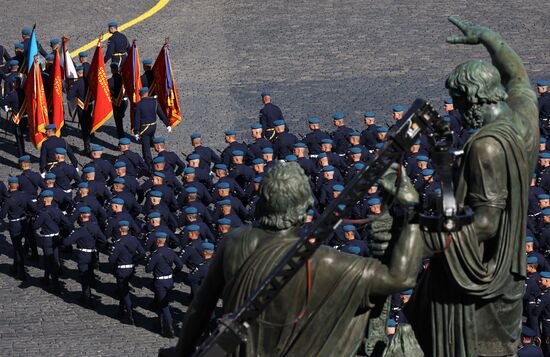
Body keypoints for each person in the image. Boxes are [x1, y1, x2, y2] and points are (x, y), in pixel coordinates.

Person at [172, 162, 424, 356]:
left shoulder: (234, 242)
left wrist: (182, 353)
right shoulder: (325, 261)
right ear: (305, 210)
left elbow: (199, 310)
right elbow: (400, 277)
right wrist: (411, 211)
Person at [406, 17, 539, 356]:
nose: (458, 111)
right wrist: (489, 38)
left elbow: (485, 223)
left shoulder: (485, 147)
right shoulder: (523, 118)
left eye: (459, 102)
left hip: (480, 276)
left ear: (474, 99)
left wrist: (421, 238)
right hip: (504, 272)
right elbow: (518, 76)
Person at [63, 206, 107, 307]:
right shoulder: (95, 227)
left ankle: (87, 298)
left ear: (81, 216)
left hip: (83, 255)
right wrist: (97, 247)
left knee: (84, 277)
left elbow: (66, 242)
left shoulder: (80, 230)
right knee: (90, 272)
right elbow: (103, 240)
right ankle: (87, 292)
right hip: (92, 253)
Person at [145, 232, 183, 337]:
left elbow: (148, 270)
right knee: (160, 302)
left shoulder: (156, 254)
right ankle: (160, 323)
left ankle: (170, 329)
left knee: (164, 305)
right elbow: (180, 265)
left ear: (157, 241)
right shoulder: (171, 252)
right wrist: (173, 273)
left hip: (160, 282)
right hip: (169, 281)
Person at [34, 190, 72, 294]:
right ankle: (46, 278)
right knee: (52, 259)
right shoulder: (57, 210)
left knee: (51, 262)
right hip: (56, 238)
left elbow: (35, 226)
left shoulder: (43, 213)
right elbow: (67, 223)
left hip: (47, 239)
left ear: (45, 200)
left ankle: (55, 285)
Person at [108, 220, 145, 324]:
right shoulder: (134, 240)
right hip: (131, 268)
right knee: (122, 290)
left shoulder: (118, 244)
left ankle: (130, 315)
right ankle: (121, 310)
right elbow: (142, 253)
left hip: (121, 270)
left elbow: (112, 260)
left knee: (124, 293)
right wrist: (134, 260)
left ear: (120, 229)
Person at [0, 176, 36, 280]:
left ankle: (21, 271)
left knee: (18, 248)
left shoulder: (8, 199)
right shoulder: (24, 195)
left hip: (14, 225)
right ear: (18, 185)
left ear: (8, 186)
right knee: (19, 246)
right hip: (24, 222)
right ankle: (15, 266)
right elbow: (33, 208)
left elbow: (2, 215)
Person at [133, 87, 171, 168]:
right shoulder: (154, 102)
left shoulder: (139, 105)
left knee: (146, 147)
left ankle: (149, 165)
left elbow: (136, 119)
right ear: (147, 93)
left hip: (144, 129)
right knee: (152, 141)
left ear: (140, 95)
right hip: (153, 127)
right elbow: (161, 114)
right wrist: (167, 124)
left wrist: (136, 132)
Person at [67, 66, 93, 154]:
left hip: (82, 107)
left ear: (78, 73)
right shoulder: (89, 80)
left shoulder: (77, 83)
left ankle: (87, 146)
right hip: (90, 105)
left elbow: (69, 97)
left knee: (84, 127)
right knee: (89, 119)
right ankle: (91, 133)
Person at [108, 63, 127, 139]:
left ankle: (121, 136)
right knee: (121, 116)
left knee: (118, 121)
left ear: (112, 70)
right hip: (124, 101)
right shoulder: (123, 78)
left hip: (116, 103)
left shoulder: (109, 81)